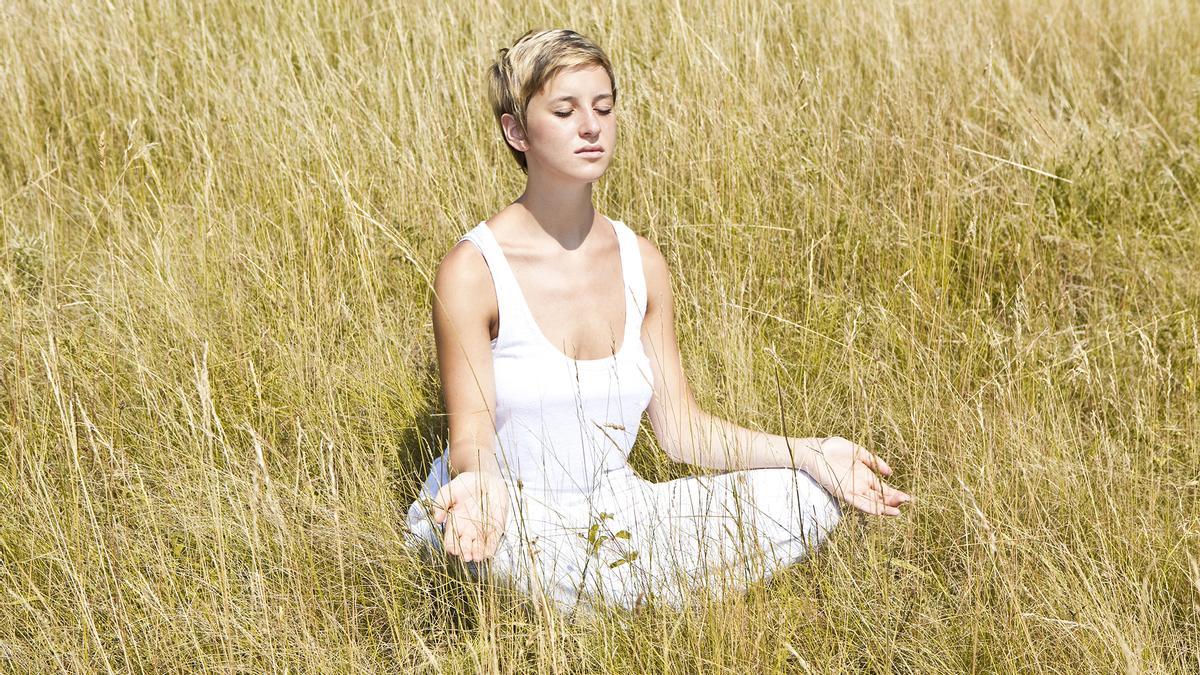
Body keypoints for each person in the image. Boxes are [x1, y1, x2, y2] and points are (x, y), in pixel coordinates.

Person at [405, 28, 912, 614]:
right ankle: (630, 601)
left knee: (808, 498)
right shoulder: (473, 270)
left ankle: (622, 600)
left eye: (603, 107)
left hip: (619, 513)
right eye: (565, 110)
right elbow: (471, 437)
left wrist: (813, 452)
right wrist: (475, 489)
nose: (591, 127)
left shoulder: (640, 261)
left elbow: (682, 432)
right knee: (508, 556)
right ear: (516, 130)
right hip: (511, 516)